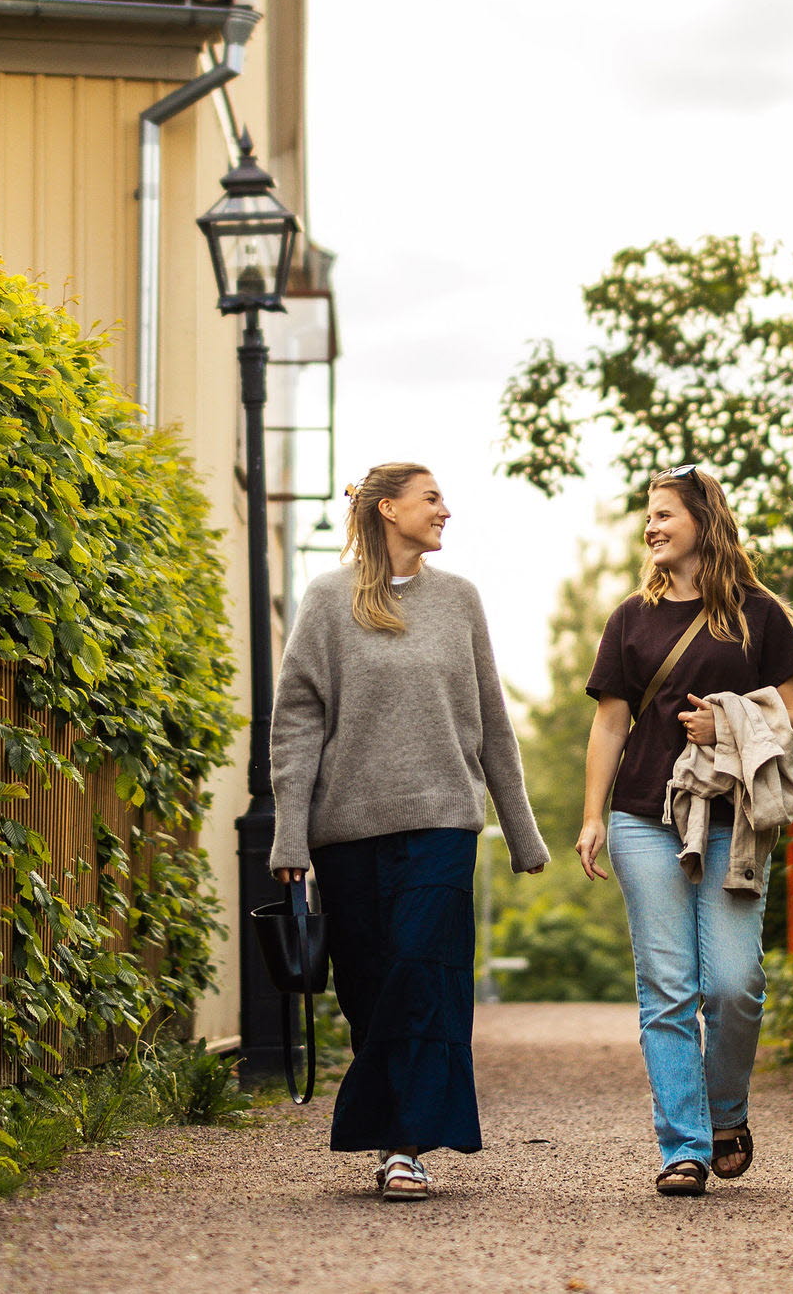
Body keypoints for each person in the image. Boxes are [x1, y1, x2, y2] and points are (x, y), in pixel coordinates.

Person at [268, 462, 549, 1202]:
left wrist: (521, 831)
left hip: (443, 822)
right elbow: (296, 723)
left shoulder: (459, 601)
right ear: (388, 509)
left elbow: (492, 720)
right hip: (347, 832)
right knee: (369, 985)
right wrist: (289, 837)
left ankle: (403, 1146)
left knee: (423, 973)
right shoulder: (327, 601)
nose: (445, 511)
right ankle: (393, 1130)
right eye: (432, 499)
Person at [577, 465, 793, 1197]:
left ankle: (726, 1112)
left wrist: (730, 720)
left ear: (703, 523)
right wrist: (591, 815)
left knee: (735, 982)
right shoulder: (630, 619)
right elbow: (610, 721)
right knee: (668, 987)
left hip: (731, 820)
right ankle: (684, 1145)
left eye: (664, 515)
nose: (651, 528)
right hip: (644, 817)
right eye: (648, 517)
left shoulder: (759, 614)